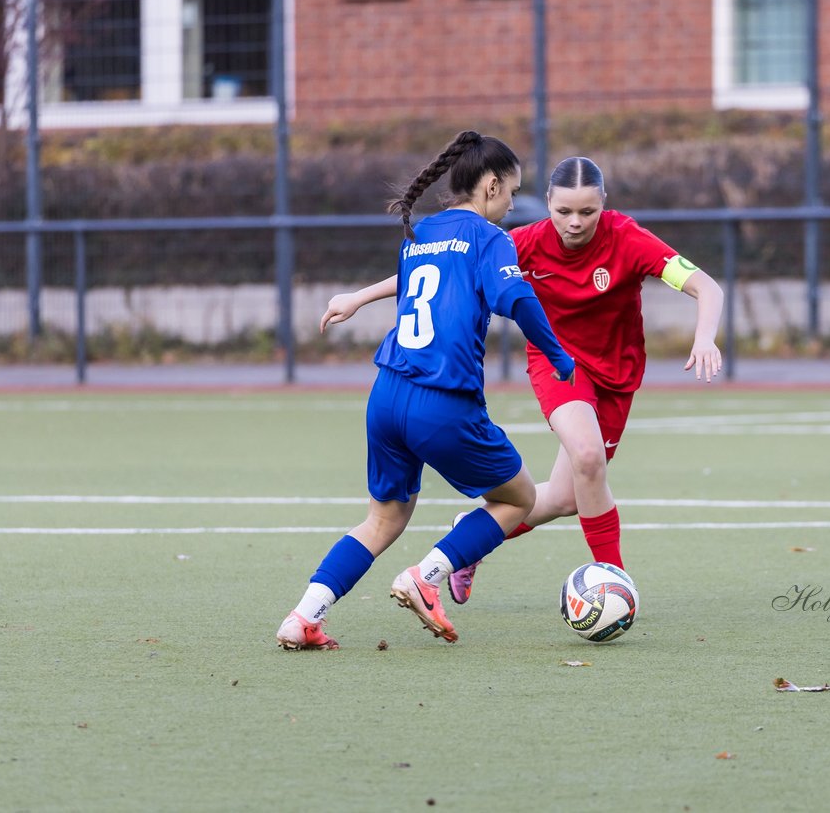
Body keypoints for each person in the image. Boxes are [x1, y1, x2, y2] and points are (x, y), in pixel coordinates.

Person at [319, 156, 723, 606]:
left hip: (617, 376)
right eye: (563, 211)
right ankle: (614, 586)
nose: (574, 222)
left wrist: (704, 336)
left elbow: (706, 286)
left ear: (603, 205)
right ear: (546, 202)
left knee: (568, 498)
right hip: (560, 366)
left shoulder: (627, 238)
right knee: (588, 457)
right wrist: (359, 296)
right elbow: (449, 268)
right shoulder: (525, 242)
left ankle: (468, 538)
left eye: (587, 212)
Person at [275, 131, 575, 650]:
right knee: (519, 497)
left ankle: (303, 617)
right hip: (442, 402)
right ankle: (428, 575)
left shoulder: (424, 232)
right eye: (510, 193)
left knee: (384, 517)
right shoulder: (488, 238)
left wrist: (359, 298)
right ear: (491, 185)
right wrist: (558, 356)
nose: (509, 206)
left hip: (387, 395)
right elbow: (516, 299)